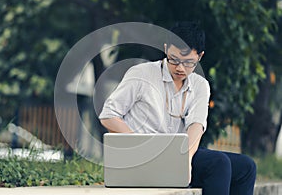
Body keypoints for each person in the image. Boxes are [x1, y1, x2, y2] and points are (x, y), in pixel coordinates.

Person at [99, 21, 256, 195]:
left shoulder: (200, 85)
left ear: (200, 56)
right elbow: (108, 115)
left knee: (246, 167)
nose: (180, 68)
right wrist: (138, 143)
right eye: (174, 60)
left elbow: (196, 125)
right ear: (166, 49)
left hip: (179, 154)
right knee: (219, 163)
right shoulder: (141, 74)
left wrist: (185, 160)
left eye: (189, 62)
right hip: (145, 156)